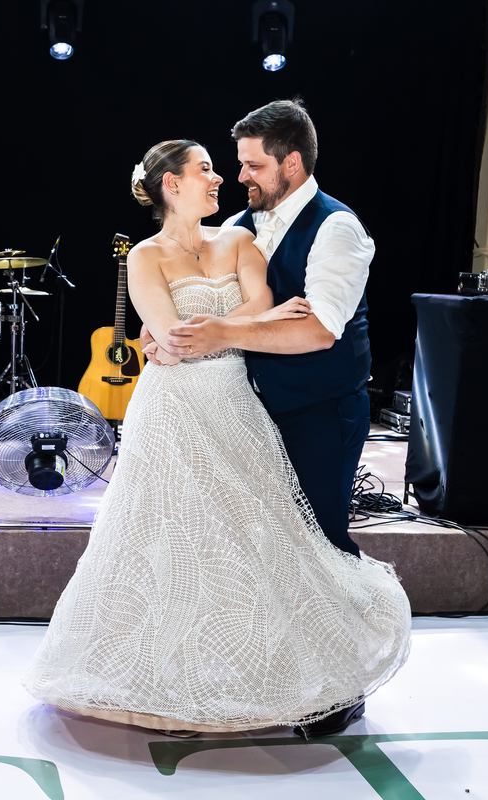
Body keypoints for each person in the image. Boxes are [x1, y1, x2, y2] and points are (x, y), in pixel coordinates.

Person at [22, 138, 410, 739]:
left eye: (228, 167)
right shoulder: (145, 256)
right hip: (170, 408)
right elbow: (177, 335)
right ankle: (169, 682)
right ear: (171, 184)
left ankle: (301, 678)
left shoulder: (238, 239)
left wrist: (220, 328)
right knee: (169, 536)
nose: (221, 177)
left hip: (234, 402)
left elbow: (260, 307)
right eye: (206, 169)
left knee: (256, 534)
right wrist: (231, 325)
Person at [156, 99, 375, 563]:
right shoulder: (235, 227)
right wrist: (162, 333)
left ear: (291, 163)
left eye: (254, 166)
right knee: (255, 556)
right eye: (240, 164)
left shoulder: (337, 228)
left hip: (319, 413)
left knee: (321, 549)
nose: (240, 177)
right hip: (245, 416)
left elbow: (319, 332)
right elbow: (203, 303)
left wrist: (223, 334)